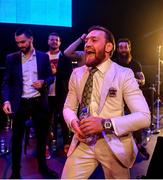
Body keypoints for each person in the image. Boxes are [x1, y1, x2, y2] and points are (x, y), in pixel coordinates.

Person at [61, 25, 150, 179]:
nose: (87, 44)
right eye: (87, 40)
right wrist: (73, 123)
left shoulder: (124, 74)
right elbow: (68, 107)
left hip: (114, 145)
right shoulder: (76, 74)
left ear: (108, 47)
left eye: (94, 40)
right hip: (83, 143)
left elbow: (144, 117)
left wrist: (104, 124)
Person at [1, 27, 58, 178]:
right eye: (17, 42)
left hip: (39, 102)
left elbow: (51, 78)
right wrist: (6, 100)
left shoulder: (43, 57)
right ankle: (16, 173)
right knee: (16, 140)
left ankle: (43, 168)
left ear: (31, 39)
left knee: (41, 138)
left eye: (23, 42)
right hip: (20, 103)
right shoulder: (11, 58)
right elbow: (6, 82)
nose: (20, 45)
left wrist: (43, 82)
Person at [116, 38, 150, 160]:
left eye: (125, 47)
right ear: (117, 49)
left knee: (136, 124)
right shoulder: (113, 63)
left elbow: (143, 81)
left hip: (132, 99)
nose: (123, 50)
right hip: (116, 99)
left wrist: (132, 81)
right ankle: (120, 151)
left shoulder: (136, 64)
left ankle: (139, 146)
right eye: (121, 47)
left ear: (130, 48)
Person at [47, 32, 73, 155]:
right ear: (48, 41)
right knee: (48, 121)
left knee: (63, 120)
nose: (54, 42)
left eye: (56, 40)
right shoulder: (42, 57)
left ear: (60, 43)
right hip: (45, 95)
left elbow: (69, 75)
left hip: (61, 94)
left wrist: (56, 72)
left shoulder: (65, 58)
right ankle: (48, 144)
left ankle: (67, 143)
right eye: (52, 39)